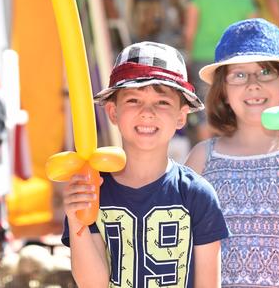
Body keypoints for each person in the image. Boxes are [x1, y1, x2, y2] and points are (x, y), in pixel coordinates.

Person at [184, 18, 279, 287]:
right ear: (222, 91)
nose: (253, 84)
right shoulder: (203, 156)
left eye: (266, 72)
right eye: (239, 75)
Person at [61, 42, 229, 287]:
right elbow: (92, 284)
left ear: (181, 116)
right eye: (133, 100)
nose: (147, 112)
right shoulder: (93, 190)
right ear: (113, 112)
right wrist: (76, 220)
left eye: (162, 102)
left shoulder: (197, 194)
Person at [183, 0, 256, 142]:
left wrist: (189, 55)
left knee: (204, 111)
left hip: (203, 57)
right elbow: (252, 27)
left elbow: (189, 30)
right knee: (234, 106)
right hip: (236, 57)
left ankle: (204, 162)